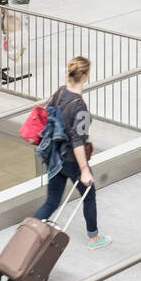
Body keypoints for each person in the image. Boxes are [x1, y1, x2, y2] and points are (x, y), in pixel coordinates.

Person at [32, 57, 111, 250]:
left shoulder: (59, 92)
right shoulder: (80, 107)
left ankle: (28, 232)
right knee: (89, 195)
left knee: (51, 201)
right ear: (84, 76)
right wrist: (84, 170)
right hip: (71, 161)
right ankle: (94, 238)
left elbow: (45, 114)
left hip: (55, 157)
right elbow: (78, 142)